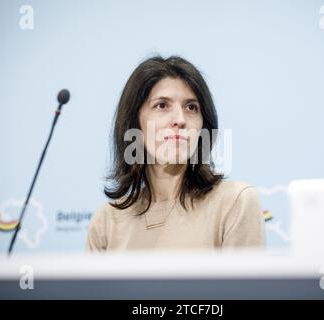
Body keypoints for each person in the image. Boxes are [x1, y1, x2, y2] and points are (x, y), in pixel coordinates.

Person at [86, 56, 265, 251]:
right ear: (134, 123)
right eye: (162, 105)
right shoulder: (106, 222)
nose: (180, 120)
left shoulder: (235, 202)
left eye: (191, 107)